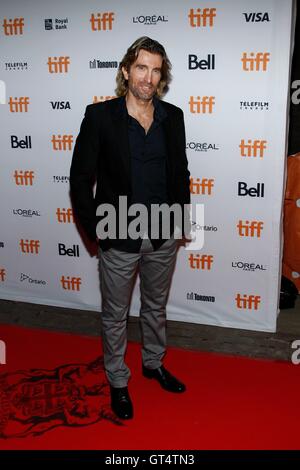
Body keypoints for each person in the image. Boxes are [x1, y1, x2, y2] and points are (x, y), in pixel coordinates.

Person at [70, 37, 191, 420]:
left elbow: (181, 173)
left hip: (161, 233)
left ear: (161, 76)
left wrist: (179, 223)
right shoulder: (100, 117)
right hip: (117, 231)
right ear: (126, 71)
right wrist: (96, 231)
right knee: (115, 313)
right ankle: (118, 381)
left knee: (155, 307)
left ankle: (153, 364)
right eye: (142, 67)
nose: (148, 77)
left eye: (156, 70)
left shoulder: (173, 117)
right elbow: (79, 178)